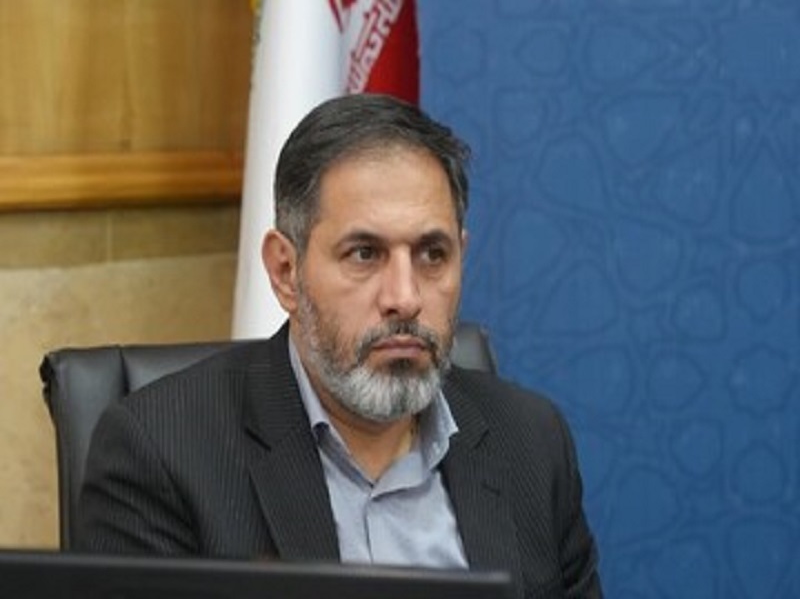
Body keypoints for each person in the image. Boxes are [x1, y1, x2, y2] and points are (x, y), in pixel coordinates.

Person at [77, 93, 603, 597]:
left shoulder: (531, 441)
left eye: (432, 255)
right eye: (364, 254)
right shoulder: (162, 454)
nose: (405, 298)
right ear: (285, 271)